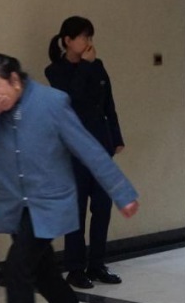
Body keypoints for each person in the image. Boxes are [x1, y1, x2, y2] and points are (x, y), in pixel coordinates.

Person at [0, 53, 139, 303]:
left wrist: (121, 192)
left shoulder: (51, 103)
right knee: (43, 274)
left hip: (48, 204)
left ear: (15, 81)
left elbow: (88, 149)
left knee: (17, 269)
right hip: (14, 206)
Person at [44, 16, 125, 289]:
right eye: (83, 37)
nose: (88, 42)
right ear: (68, 40)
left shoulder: (98, 66)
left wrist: (116, 137)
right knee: (76, 210)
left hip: (100, 145)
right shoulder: (55, 71)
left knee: (102, 207)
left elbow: (108, 103)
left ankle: (97, 264)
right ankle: (75, 268)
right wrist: (86, 66)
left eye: (90, 37)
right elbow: (71, 97)